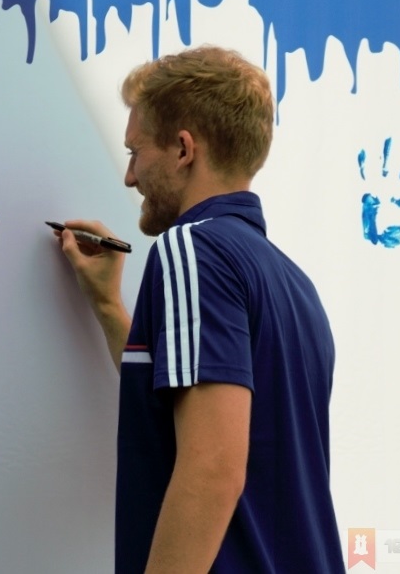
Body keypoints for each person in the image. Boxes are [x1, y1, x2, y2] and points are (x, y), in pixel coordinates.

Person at [54, 46, 345, 573]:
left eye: (136, 152)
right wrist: (108, 305)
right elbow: (185, 399)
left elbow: (213, 468)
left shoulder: (193, 248)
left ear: (184, 149)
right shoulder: (293, 283)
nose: (129, 176)